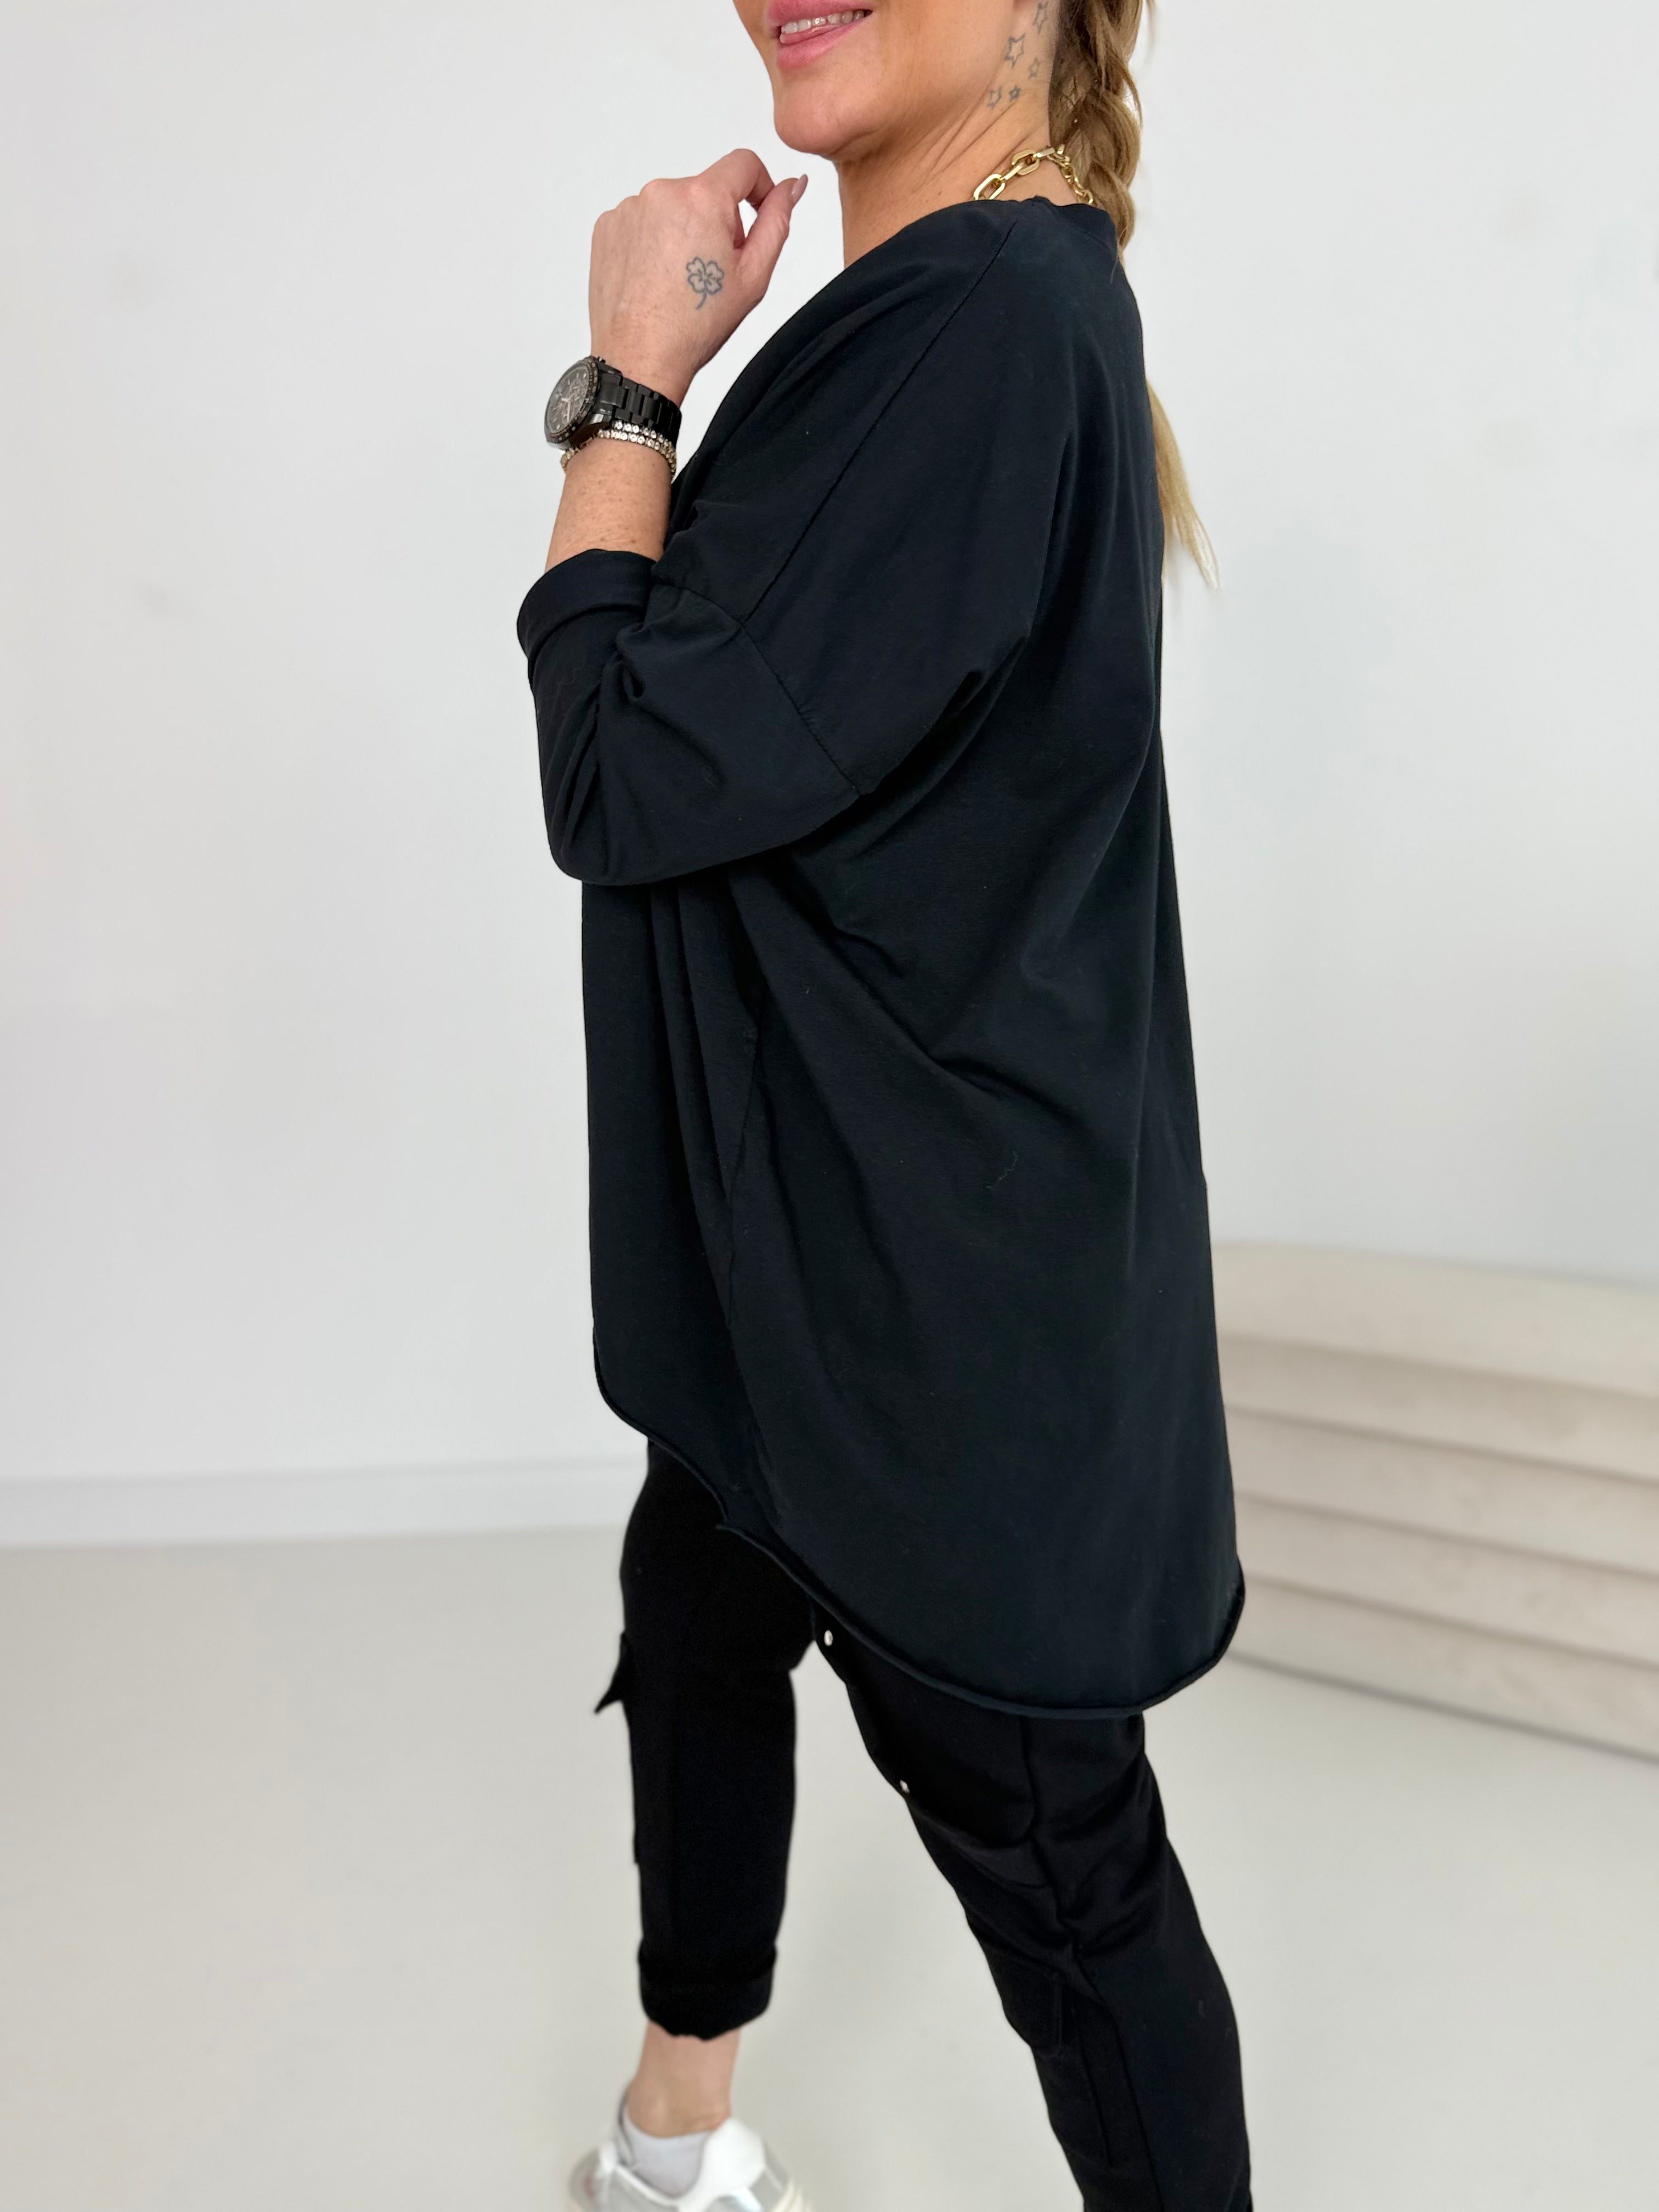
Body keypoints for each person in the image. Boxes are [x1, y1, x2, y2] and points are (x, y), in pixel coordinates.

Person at [517, 2, 1251, 2205]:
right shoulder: (959, 308)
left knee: (1066, 1873)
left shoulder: (984, 326)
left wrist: (630, 379)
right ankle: (679, 2134)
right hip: (809, 1243)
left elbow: (614, 767)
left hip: (932, 1321)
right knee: (700, 1613)